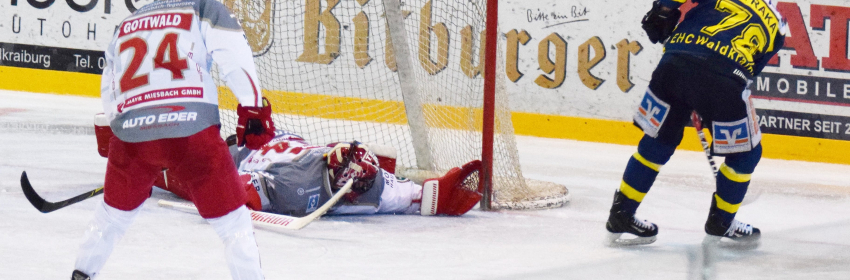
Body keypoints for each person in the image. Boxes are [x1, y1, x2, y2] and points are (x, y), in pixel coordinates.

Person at [75, 0, 275, 279]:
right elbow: (233, 53)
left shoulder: (127, 23)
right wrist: (252, 106)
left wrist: (119, 124)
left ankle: (81, 274)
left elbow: (110, 79)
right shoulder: (203, 7)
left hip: (132, 138)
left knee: (111, 217)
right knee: (234, 226)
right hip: (193, 134)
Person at [605, 0, 786, 246]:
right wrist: (706, 96)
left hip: (674, 62)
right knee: (746, 155)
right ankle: (721, 222)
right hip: (722, 75)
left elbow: (669, 8)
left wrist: (664, 8)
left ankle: (621, 214)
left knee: (658, 140)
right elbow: (750, 70)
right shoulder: (778, 24)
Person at [153, 130, 484, 218]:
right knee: (189, 171)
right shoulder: (295, 184)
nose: (368, 190)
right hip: (247, 154)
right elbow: (240, 188)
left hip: (284, 143)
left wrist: (443, 195)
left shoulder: (374, 185)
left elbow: (420, 196)